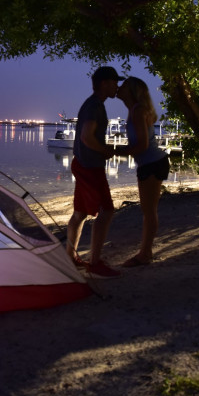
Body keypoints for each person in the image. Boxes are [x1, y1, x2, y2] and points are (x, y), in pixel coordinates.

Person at [66, 66, 124, 279]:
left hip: (82, 164)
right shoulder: (95, 106)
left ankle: (70, 257)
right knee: (106, 211)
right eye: (114, 82)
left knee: (80, 213)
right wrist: (105, 150)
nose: (116, 87)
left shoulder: (93, 104)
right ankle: (95, 262)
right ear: (105, 83)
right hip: (90, 167)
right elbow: (86, 137)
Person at [114, 76, 170, 267]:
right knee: (148, 210)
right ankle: (146, 252)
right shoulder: (135, 110)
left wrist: (115, 151)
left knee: (149, 211)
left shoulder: (138, 111)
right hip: (152, 162)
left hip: (152, 162)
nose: (119, 88)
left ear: (131, 91)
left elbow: (143, 145)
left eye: (123, 86)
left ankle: (145, 254)